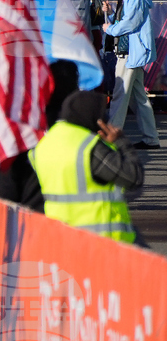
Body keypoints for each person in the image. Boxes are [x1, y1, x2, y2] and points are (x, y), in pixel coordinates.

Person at [29, 90, 143, 243]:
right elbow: (133, 177)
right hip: (101, 238)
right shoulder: (89, 146)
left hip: (57, 235)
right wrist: (121, 142)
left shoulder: (43, 145)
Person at [102, 0, 162, 149]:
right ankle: (151, 138)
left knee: (120, 95)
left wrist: (109, 28)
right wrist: (111, 14)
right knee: (139, 100)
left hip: (130, 52)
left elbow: (130, 24)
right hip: (131, 51)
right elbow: (125, 21)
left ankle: (111, 138)